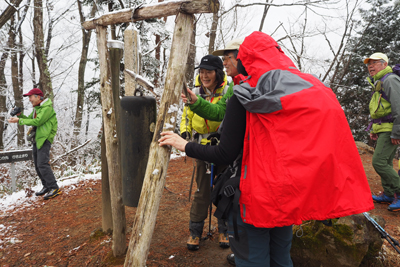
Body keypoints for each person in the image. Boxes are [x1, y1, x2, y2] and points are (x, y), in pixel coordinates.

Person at [160, 31, 374, 266]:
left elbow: (224, 153)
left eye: (232, 57)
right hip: (286, 196)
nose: (228, 62)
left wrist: (185, 145)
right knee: (281, 258)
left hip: (254, 198)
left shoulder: (243, 96)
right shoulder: (310, 91)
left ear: (245, 59)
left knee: (253, 259)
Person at [181, 55, 230, 250]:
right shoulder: (194, 92)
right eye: (201, 72)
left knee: (226, 188)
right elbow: (186, 115)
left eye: (208, 72)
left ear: (218, 73)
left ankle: (224, 230)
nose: (204, 76)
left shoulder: (228, 91)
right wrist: (185, 130)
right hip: (202, 146)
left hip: (224, 146)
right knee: (203, 190)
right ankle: (195, 231)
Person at [8, 88, 60, 200]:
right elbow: (29, 119)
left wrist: (18, 121)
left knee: (42, 164)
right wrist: (20, 115)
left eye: (31, 97)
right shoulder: (37, 109)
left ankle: (54, 187)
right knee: (37, 165)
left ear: (38, 97)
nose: (29, 99)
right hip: (37, 139)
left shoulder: (46, 108)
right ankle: (46, 186)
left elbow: (38, 121)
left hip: (44, 139)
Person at [364, 52, 400, 211]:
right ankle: (389, 194)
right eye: (368, 64)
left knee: (378, 162)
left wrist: (396, 133)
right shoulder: (379, 82)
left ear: (384, 64)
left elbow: (398, 106)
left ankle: (397, 192)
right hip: (384, 128)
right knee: (385, 162)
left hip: (391, 129)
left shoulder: (390, 80)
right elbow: (379, 109)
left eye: (374, 62)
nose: (370, 66)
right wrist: (374, 128)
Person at [182, 38, 246, 121]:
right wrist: (196, 102)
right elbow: (221, 112)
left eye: (227, 58)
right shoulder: (235, 85)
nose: (224, 63)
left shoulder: (232, 88)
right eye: (201, 72)